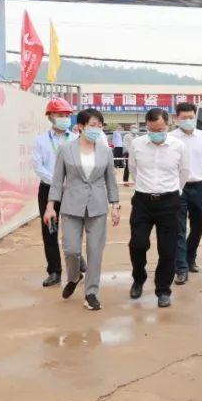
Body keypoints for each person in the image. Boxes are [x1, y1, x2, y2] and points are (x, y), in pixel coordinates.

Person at [42, 108, 120, 311]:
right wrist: (50, 206)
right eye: (92, 125)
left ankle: (91, 293)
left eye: (99, 125)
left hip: (97, 207)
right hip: (71, 206)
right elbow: (57, 181)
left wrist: (115, 205)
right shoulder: (66, 149)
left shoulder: (105, 151)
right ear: (81, 127)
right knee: (71, 250)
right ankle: (74, 276)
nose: (96, 129)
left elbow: (111, 181)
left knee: (95, 251)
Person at [126, 107, 190, 308]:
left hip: (169, 202)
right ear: (147, 126)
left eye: (160, 129)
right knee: (137, 244)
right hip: (143, 201)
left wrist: (173, 191)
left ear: (167, 125)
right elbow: (133, 169)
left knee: (168, 249)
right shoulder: (137, 144)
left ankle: (163, 289)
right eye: (152, 130)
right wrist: (146, 188)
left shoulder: (178, 146)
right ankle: (139, 278)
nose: (156, 133)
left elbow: (184, 172)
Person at [32, 97, 80, 288]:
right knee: (49, 230)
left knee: (73, 229)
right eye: (60, 115)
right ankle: (54, 271)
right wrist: (57, 182)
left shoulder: (76, 139)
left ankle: (76, 262)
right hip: (48, 189)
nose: (64, 118)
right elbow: (38, 166)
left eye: (67, 115)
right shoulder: (41, 141)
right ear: (50, 116)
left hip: (71, 190)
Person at [171, 103, 202, 276]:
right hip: (178, 187)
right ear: (176, 118)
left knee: (198, 225)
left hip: (199, 186)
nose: (188, 120)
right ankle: (181, 267)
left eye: (191, 117)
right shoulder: (171, 138)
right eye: (184, 117)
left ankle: (190, 257)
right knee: (179, 228)